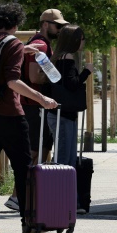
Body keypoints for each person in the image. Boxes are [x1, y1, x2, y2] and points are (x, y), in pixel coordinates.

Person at [0, 2, 58, 233]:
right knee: (23, 168)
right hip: (9, 113)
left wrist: (23, 50)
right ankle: (28, 221)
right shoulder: (13, 43)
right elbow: (11, 80)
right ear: (16, 23)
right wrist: (41, 99)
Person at [5, 7, 68, 212]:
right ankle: (17, 196)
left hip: (33, 105)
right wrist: (53, 71)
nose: (59, 29)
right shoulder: (40, 45)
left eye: (61, 26)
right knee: (35, 151)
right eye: (57, 26)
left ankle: (27, 194)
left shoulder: (41, 44)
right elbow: (34, 78)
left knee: (40, 150)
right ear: (45, 24)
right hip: (33, 106)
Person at [44, 25, 93, 170]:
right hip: (64, 116)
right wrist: (86, 71)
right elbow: (72, 84)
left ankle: (64, 190)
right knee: (65, 160)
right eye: (81, 39)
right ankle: (60, 191)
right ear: (74, 40)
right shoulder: (67, 57)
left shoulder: (57, 57)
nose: (83, 42)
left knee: (66, 158)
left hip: (61, 114)